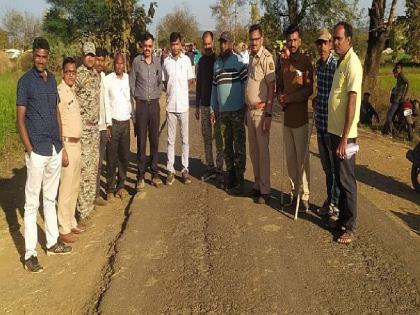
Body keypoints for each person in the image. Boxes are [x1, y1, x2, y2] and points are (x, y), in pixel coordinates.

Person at [16, 37, 72, 273]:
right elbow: (20, 119)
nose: (40, 60)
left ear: (49, 57)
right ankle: (30, 254)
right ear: (32, 56)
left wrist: (60, 143)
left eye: (44, 56)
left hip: (53, 148)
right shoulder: (25, 82)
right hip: (37, 150)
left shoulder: (51, 82)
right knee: (31, 204)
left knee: (49, 199)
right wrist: (29, 149)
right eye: (37, 56)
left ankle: (51, 243)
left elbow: (56, 113)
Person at [328, 22, 363, 244]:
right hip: (334, 131)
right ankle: (342, 220)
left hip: (345, 136)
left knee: (347, 180)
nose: (335, 42)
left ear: (349, 39)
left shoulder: (354, 64)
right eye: (334, 38)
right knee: (339, 180)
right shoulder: (341, 62)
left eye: (339, 38)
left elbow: (352, 101)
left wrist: (343, 138)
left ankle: (350, 227)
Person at [277, 24, 314, 211]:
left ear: (299, 40)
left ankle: (305, 195)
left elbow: (308, 90)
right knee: (291, 159)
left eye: (295, 40)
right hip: (287, 120)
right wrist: (280, 98)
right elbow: (279, 87)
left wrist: (290, 98)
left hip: (301, 120)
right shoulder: (284, 62)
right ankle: (294, 193)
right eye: (289, 40)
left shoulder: (306, 62)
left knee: (302, 160)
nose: (292, 43)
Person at [211, 31, 248, 195]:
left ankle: (240, 179)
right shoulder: (217, 63)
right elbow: (214, 88)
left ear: (231, 44)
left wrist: (246, 106)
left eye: (226, 42)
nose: (223, 45)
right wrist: (213, 108)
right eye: (221, 42)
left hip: (237, 110)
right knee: (226, 147)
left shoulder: (239, 61)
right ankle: (231, 175)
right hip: (223, 112)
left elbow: (245, 85)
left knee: (239, 146)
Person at [245, 24, 275, 204]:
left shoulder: (266, 57)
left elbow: (272, 88)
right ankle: (257, 184)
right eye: (251, 39)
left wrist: (269, 115)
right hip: (250, 111)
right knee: (254, 152)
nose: (253, 42)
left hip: (261, 111)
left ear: (261, 39)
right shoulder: (252, 57)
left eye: (256, 39)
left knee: (263, 153)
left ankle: (265, 190)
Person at [129, 32, 163, 190]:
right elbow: (132, 84)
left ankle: (155, 173)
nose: (147, 48)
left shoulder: (157, 62)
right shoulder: (136, 62)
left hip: (154, 105)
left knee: (155, 140)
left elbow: (159, 82)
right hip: (141, 105)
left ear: (153, 46)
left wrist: (155, 97)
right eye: (145, 46)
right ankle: (140, 176)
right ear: (141, 46)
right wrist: (137, 101)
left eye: (150, 46)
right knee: (141, 141)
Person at [313, 28, 340, 218]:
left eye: (325, 43)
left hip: (332, 127)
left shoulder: (335, 65)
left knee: (335, 168)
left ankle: (335, 206)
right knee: (327, 168)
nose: (322, 46)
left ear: (330, 44)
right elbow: (320, 92)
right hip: (320, 124)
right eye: (319, 43)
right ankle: (330, 199)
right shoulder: (319, 65)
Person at [57, 57, 83, 244]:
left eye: (74, 72)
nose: (71, 75)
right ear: (63, 72)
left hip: (77, 144)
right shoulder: (60, 92)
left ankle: (71, 221)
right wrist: (62, 149)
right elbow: (57, 122)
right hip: (67, 144)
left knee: (75, 185)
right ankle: (63, 227)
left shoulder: (72, 91)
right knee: (65, 188)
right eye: (68, 72)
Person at [162, 32, 195, 185]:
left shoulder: (187, 60)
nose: (175, 47)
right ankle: (170, 170)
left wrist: (181, 91)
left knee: (185, 139)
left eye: (177, 44)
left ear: (181, 45)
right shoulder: (166, 62)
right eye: (173, 44)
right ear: (170, 45)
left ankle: (185, 169)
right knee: (170, 140)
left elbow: (190, 81)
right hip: (170, 106)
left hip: (183, 106)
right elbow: (164, 83)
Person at [75, 42, 101, 223]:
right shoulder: (78, 75)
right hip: (83, 128)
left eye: (92, 55)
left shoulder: (96, 75)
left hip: (95, 128)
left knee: (93, 168)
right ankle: (82, 211)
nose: (90, 58)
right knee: (84, 171)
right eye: (87, 55)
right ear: (83, 56)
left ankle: (89, 206)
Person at [195, 31, 224, 182]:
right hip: (205, 106)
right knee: (207, 138)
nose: (207, 46)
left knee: (219, 137)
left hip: (218, 106)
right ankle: (210, 167)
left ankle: (220, 169)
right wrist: (198, 105)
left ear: (213, 43)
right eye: (204, 44)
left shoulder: (218, 61)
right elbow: (199, 84)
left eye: (209, 43)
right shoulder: (200, 62)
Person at [105, 53, 132, 200]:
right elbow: (105, 103)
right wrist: (107, 125)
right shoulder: (108, 80)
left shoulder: (128, 78)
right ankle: (110, 188)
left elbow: (130, 100)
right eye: (117, 63)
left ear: (124, 65)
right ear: (114, 64)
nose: (119, 66)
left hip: (126, 123)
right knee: (111, 157)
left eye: (121, 63)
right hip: (113, 123)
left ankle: (121, 186)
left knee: (124, 157)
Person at [95, 48, 112, 206]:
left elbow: (106, 102)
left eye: (102, 60)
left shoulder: (103, 77)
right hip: (90, 128)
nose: (99, 63)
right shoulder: (88, 77)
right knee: (89, 163)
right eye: (97, 59)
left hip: (102, 126)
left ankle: (96, 194)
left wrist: (108, 125)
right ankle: (88, 196)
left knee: (99, 162)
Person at [384, 62, 409, 135]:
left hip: (397, 101)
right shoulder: (399, 77)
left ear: (401, 69)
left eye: (398, 68)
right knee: (396, 115)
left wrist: (404, 96)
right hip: (399, 100)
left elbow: (408, 82)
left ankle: (390, 132)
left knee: (389, 116)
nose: (397, 70)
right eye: (396, 68)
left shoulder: (401, 76)